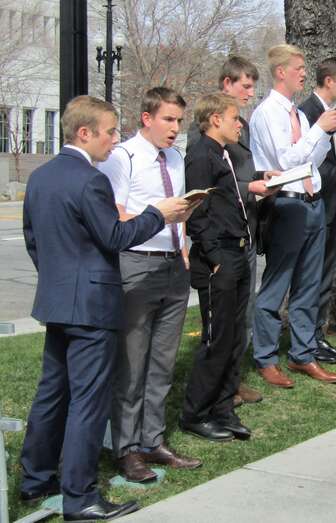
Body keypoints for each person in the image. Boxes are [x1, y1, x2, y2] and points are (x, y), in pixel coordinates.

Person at [19, 95, 194, 521]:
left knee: (52, 395)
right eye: (110, 131)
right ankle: (80, 497)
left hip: (58, 300)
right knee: (88, 402)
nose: (115, 140)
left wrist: (62, 282)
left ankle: (36, 479)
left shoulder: (42, 176)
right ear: (85, 133)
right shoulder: (90, 180)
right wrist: (159, 215)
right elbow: (114, 236)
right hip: (92, 305)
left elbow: (34, 240)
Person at [98, 87, 200, 482]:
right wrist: (158, 217)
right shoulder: (123, 157)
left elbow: (179, 208)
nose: (175, 128)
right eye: (168, 120)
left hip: (174, 266)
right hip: (137, 265)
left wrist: (183, 242)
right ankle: (124, 448)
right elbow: (117, 216)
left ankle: (152, 440)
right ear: (146, 118)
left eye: (178, 120)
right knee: (132, 363)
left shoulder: (175, 157)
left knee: (162, 361)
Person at [181, 93, 274, 442]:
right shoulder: (201, 155)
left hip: (237, 252)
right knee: (215, 340)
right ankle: (195, 413)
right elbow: (197, 213)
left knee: (233, 337)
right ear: (215, 119)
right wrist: (216, 258)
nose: (240, 124)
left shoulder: (225, 154)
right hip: (218, 259)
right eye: (235, 118)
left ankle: (222, 408)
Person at [249, 44, 336, 386]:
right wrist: (319, 129)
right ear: (280, 72)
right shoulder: (267, 113)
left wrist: (322, 133)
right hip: (286, 205)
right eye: (299, 68)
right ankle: (265, 357)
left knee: (309, 284)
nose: (305, 73)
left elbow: (310, 161)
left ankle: (302, 354)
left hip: (312, 202)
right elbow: (286, 162)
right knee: (277, 285)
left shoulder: (299, 115)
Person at [187, 55, 266, 407]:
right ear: (226, 85)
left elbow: (237, 178)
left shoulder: (235, 132)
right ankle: (208, 401)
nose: (250, 93)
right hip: (220, 245)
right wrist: (215, 256)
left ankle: (229, 386)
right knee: (218, 330)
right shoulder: (203, 146)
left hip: (241, 231)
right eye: (245, 86)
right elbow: (199, 208)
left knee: (238, 319)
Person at [298, 57, 336, 363]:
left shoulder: (331, 112)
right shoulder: (307, 112)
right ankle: (305, 339)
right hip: (312, 206)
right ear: (329, 81)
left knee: (324, 278)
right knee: (311, 278)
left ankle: (317, 335)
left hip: (330, 206)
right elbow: (302, 160)